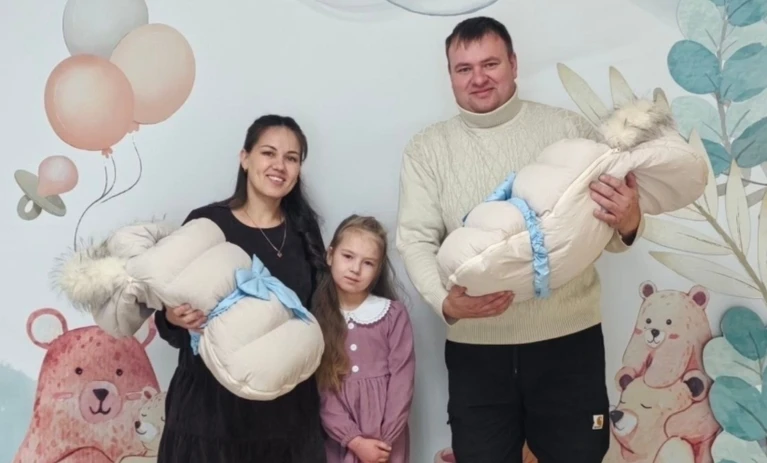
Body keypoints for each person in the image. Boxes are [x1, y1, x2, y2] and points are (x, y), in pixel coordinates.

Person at [395, 16, 644, 463]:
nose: (478, 78)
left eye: (490, 64)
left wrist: (629, 220)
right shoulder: (427, 149)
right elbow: (416, 239)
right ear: (450, 75)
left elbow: (607, 233)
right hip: (477, 350)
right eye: (464, 68)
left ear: (513, 63)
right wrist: (445, 302)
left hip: (569, 340)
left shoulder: (568, 130)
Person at [154, 115, 329, 462]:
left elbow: (312, 315)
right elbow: (166, 318)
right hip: (210, 411)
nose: (279, 166)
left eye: (291, 158)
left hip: (285, 413)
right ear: (245, 158)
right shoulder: (207, 223)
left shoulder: (304, 231)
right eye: (268, 153)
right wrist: (174, 318)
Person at [315, 214, 416, 463]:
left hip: (386, 440)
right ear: (330, 255)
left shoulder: (392, 314)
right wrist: (354, 441)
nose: (355, 269)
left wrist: (384, 441)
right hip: (338, 437)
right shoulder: (317, 317)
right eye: (348, 256)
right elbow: (323, 391)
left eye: (368, 262)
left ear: (378, 269)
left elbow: (402, 381)